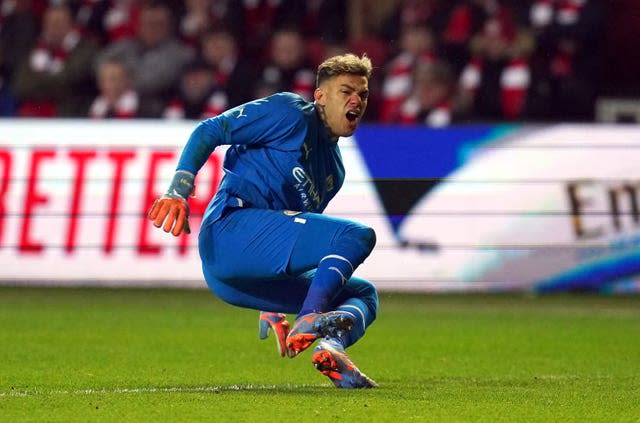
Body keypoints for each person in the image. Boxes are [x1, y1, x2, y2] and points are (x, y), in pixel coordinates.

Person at [148, 53, 378, 389]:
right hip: (231, 229)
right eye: (346, 91)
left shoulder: (334, 171)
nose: (357, 100)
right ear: (320, 96)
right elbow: (211, 129)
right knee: (356, 236)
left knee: (363, 294)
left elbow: (293, 236)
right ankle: (310, 318)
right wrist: (178, 189)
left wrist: (268, 301)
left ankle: (331, 348)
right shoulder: (289, 113)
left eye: (364, 94)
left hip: (239, 280)